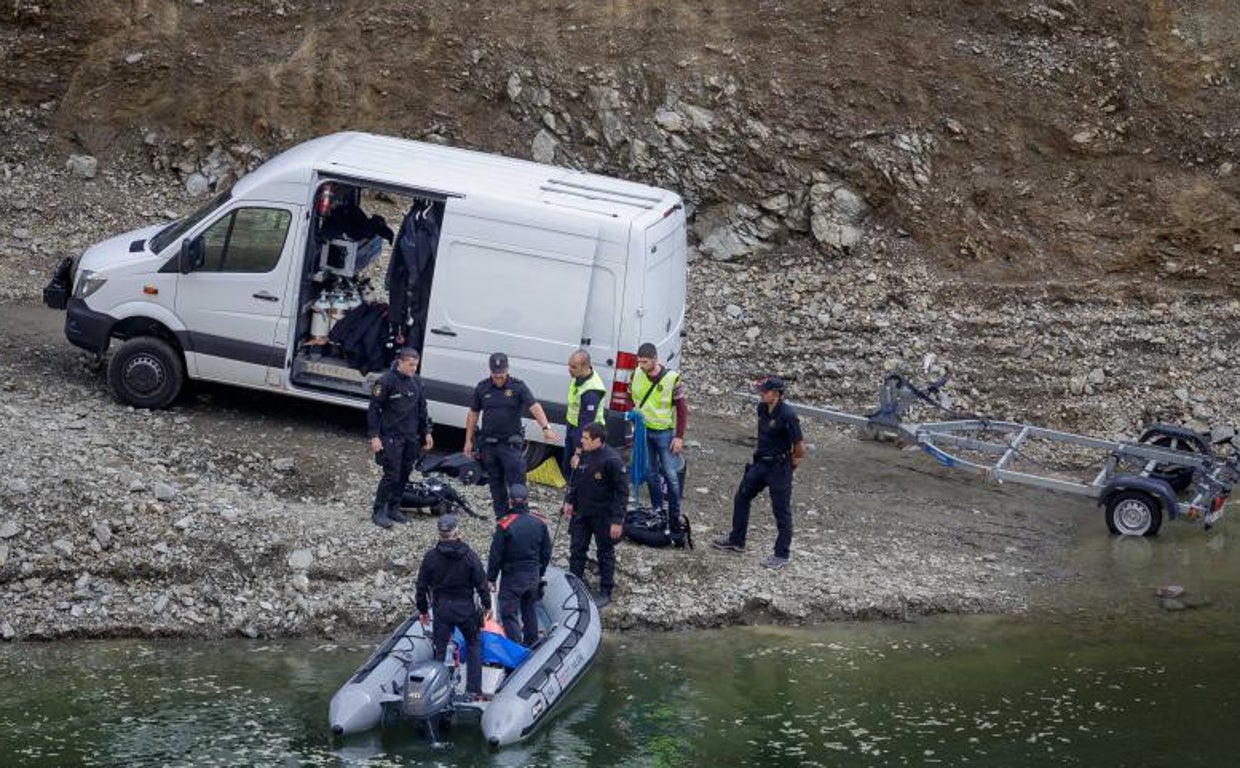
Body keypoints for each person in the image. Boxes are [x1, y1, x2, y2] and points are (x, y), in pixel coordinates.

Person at [712, 377, 806, 570]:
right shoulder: (762, 408)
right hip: (761, 462)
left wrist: (791, 462)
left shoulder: (788, 415)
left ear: (776, 393)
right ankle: (736, 539)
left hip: (779, 466)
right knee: (742, 496)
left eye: (765, 391)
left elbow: (800, 448)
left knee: (781, 510)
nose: (761, 394)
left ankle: (781, 554)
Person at [463, 352, 561, 517]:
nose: (499, 378)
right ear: (490, 370)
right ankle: (502, 517)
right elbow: (473, 413)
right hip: (489, 445)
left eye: (501, 374)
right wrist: (468, 440)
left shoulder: (518, 386)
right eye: (496, 374)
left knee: (517, 483)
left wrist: (546, 427)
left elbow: (534, 406)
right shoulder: (482, 387)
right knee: (495, 483)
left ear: (507, 369)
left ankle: (521, 517)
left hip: (510, 445)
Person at [415, 514, 490, 699]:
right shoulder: (469, 556)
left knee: (440, 648)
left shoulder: (431, 557)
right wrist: (487, 604)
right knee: (473, 644)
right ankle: (473, 690)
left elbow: (421, 586)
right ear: (456, 531)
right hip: (465, 607)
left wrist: (423, 610)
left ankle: (437, 690)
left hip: (442, 608)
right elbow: (481, 582)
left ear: (440, 533)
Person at [367, 347, 433, 529]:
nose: (414, 369)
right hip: (391, 436)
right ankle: (379, 510)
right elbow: (374, 410)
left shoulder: (417, 382)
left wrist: (426, 432)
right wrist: (374, 436)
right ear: (400, 362)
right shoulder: (386, 381)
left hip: (411, 436)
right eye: (411, 365)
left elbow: (422, 409)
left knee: (405, 472)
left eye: (416, 365)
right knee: (392, 474)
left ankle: (394, 508)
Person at [562, 422, 627, 607]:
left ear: (597, 440)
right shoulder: (584, 455)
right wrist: (569, 501)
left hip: (603, 515)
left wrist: (617, 520)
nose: (582, 441)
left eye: (586, 438)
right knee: (577, 548)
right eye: (582, 438)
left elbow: (621, 493)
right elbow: (576, 480)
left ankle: (606, 590)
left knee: (605, 552)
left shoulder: (612, 461)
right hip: (582, 512)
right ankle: (575, 584)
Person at [486, 484, 552, 646]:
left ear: (510, 502)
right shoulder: (539, 523)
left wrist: (491, 578)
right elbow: (546, 552)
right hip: (532, 575)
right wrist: (540, 571)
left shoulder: (505, 525)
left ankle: (515, 646)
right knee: (529, 609)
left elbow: (496, 554)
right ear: (527, 500)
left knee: (508, 613)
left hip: (512, 576)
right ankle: (532, 642)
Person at [631, 342, 687, 530]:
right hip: (644, 430)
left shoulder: (672, 379)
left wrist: (679, 436)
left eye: (645, 362)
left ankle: (675, 515)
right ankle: (657, 508)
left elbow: (682, 409)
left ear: (655, 359)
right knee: (650, 472)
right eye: (639, 362)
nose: (641, 365)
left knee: (670, 475)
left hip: (664, 433)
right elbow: (631, 394)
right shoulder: (637, 373)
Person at [563, 349, 607, 476]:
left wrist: (578, 452)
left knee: (578, 470)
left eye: (573, 367)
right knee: (567, 467)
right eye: (569, 365)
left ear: (585, 367)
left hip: (589, 434)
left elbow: (586, 423)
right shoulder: (579, 375)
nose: (569, 369)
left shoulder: (591, 391)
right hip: (573, 426)